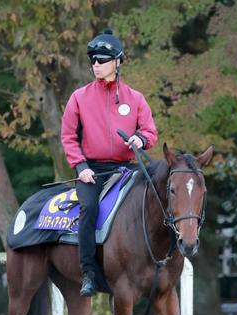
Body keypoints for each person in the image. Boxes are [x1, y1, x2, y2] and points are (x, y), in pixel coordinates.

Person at [61, 28, 158, 297]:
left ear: (118, 61)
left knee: (156, 200)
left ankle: (155, 265)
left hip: (128, 169)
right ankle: (89, 273)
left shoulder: (136, 98)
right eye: (93, 60)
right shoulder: (78, 98)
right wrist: (81, 167)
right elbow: (68, 137)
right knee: (89, 207)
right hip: (92, 170)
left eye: (102, 60)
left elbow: (150, 131)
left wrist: (140, 139)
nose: (96, 65)